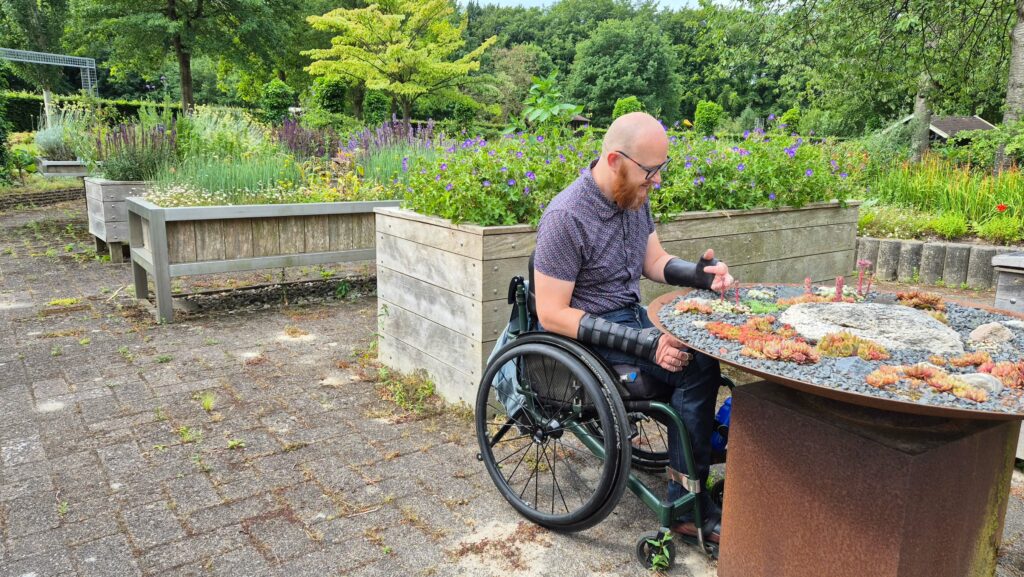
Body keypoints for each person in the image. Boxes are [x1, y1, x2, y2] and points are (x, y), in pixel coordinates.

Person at [533, 112, 734, 544]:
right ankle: (687, 503)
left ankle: (689, 481)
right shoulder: (565, 218)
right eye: (650, 172)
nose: (656, 181)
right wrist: (643, 342)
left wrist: (700, 275)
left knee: (702, 351)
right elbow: (550, 313)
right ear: (614, 160)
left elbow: (654, 262)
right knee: (691, 367)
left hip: (632, 321)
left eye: (660, 170)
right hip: (590, 342)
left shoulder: (631, 197)